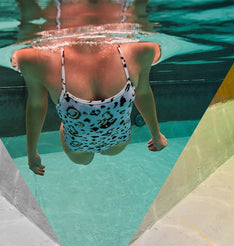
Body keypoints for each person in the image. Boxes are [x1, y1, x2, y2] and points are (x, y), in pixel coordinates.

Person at [12, 41, 168, 175]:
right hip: (86, 145)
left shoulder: (141, 49)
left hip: (108, 142)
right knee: (85, 161)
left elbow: (143, 91)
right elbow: (36, 105)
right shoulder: (35, 58)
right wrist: (31, 152)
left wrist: (156, 133)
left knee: (105, 153)